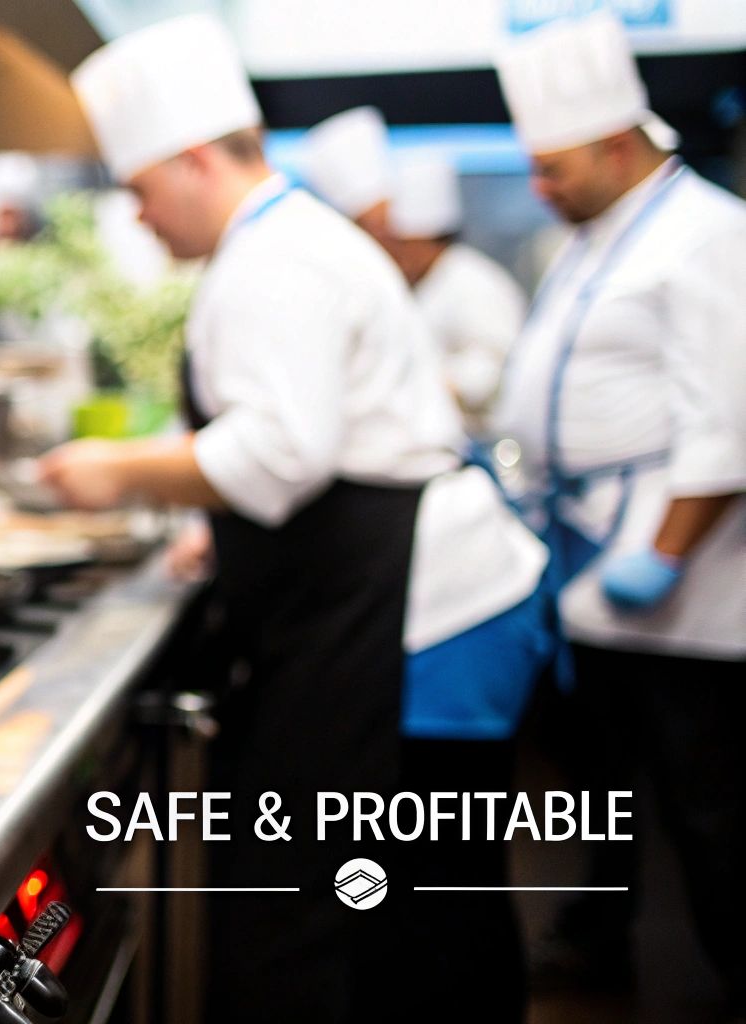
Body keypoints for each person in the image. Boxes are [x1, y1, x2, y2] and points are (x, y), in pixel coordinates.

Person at [53, 15, 544, 1020]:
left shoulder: (270, 260)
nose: (138, 219)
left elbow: (282, 452)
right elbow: (318, 442)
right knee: (415, 888)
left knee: (401, 900)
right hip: (393, 586)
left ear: (192, 162)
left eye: (140, 190)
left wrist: (117, 471)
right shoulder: (288, 240)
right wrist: (218, 525)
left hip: (415, 618)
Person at [491, 13, 746, 1012]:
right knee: (598, 797)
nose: (537, 189)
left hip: (683, 591)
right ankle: (594, 951)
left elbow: (728, 423)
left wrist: (665, 556)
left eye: (551, 168)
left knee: (711, 817)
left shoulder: (708, 235)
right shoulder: (597, 238)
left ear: (611, 144)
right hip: (594, 570)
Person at [301, 108, 527, 434]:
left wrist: (422, 384)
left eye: (393, 237)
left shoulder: (472, 281)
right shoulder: (388, 284)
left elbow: (496, 367)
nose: (390, 250)